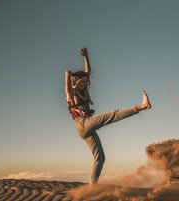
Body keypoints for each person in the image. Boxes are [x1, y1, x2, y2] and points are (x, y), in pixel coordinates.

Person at [65, 48, 151, 184]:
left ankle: (92, 186)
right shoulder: (71, 93)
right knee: (113, 115)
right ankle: (142, 106)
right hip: (82, 123)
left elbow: (87, 72)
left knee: (100, 158)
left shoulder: (83, 90)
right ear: (75, 81)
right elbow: (68, 78)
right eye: (82, 82)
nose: (84, 85)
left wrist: (86, 57)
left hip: (86, 129)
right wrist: (69, 75)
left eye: (85, 82)